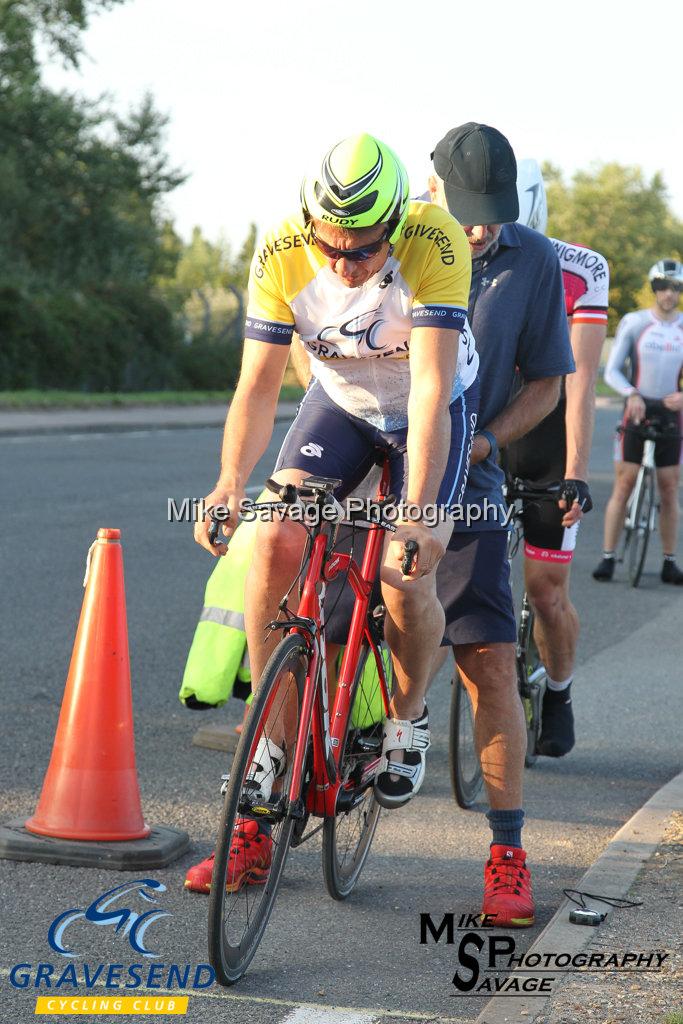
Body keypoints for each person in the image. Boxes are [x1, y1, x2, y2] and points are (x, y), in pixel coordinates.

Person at [186, 132, 480, 893]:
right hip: (343, 402)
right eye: (333, 250)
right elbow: (257, 385)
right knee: (273, 539)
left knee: (401, 570)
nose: (346, 266)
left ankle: (405, 721)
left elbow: (426, 388)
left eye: (364, 251)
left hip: (428, 403)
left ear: (394, 223)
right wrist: (227, 481)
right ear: (310, 224)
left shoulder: (433, 238)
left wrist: (415, 513)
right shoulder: (282, 250)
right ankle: (270, 744)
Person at [427, 123, 575, 927]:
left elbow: (550, 384)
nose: (478, 226)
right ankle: (257, 824)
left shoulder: (533, 259)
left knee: (487, 654)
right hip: (381, 447)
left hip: (474, 465)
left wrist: (486, 440)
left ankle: (508, 853)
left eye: (492, 211)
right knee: (320, 625)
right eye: (464, 210)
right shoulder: (399, 236)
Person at [508, 159, 609, 758]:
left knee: (547, 592)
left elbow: (583, 381)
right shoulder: (462, 256)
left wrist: (575, 471)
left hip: (549, 445)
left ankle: (561, 691)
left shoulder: (582, 268)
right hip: (492, 435)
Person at [593, 259, 683, 584]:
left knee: (670, 488)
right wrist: (631, 393)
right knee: (625, 483)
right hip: (637, 408)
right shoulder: (635, 322)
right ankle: (607, 556)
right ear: (654, 288)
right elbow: (613, 369)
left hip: (672, 413)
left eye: (674, 288)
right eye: (661, 286)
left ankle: (670, 561)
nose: (668, 294)